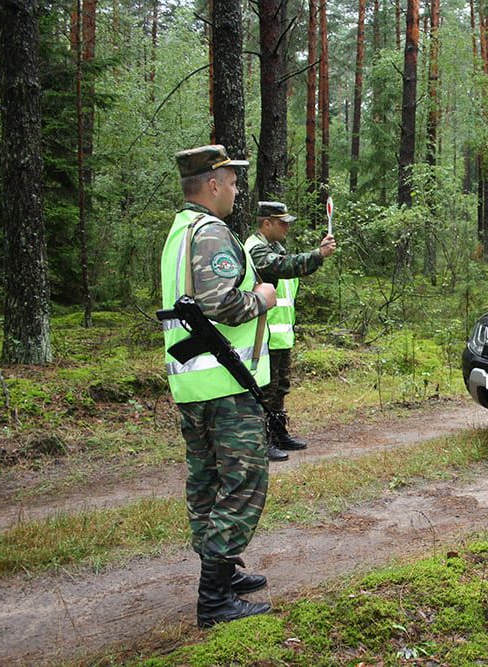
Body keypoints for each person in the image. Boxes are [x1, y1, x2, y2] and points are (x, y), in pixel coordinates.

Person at [160, 144, 275, 629]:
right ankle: (214, 601)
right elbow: (221, 303)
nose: (234, 188)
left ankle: (221, 576)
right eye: (230, 180)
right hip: (225, 384)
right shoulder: (210, 231)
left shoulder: (178, 233)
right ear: (211, 184)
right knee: (245, 481)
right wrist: (262, 297)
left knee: (207, 480)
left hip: (193, 384)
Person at [245, 201, 336, 461]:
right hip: (263, 336)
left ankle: (278, 433)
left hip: (280, 335)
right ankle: (263, 441)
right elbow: (284, 266)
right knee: (266, 391)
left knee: (280, 389)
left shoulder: (275, 248)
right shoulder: (255, 250)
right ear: (266, 223)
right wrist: (318, 254)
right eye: (282, 222)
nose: (287, 227)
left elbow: (289, 268)